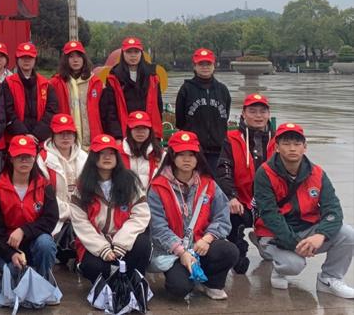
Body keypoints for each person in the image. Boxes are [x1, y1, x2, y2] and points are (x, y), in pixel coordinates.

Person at [253, 123, 354, 298]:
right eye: (286, 143)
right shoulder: (264, 173)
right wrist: (296, 244)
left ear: (305, 147)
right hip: (274, 233)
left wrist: (320, 235)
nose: (292, 148)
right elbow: (270, 215)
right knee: (294, 265)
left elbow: (333, 210)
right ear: (277, 147)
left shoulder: (317, 173)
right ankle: (278, 266)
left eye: (297, 143)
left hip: (307, 229)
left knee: (347, 234)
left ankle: (329, 279)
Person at [149, 131, 237, 301]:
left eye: (191, 155)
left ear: (198, 157)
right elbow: (158, 227)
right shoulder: (158, 187)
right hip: (173, 251)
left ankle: (212, 283)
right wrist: (181, 252)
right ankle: (186, 276)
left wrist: (207, 239)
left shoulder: (208, 184)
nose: (187, 159)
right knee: (180, 288)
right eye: (181, 154)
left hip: (200, 244)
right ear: (172, 156)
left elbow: (222, 216)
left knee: (229, 251)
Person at [70, 134, 151, 291]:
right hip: (96, 243)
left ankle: (132, 285)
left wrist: (121, 242)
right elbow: (81, 223)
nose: (107, 157)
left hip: (124, 240)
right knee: (94, 267)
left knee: (142, 244)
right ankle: (108, 288)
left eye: (111, 153)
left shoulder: (130, 181)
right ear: (93, 157)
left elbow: (141, 215)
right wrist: (103, 248)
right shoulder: (82, 186)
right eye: (101, 153)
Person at [216, 92, 275, 274]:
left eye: (262, 111)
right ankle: (238, 250)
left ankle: (264, 239)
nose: (258, 116)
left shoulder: (279, 140)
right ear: (243, 114)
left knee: (276, 254)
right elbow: (223, 169)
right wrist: (231, 197)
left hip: (270, 202)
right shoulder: (231, 138)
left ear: (269, 114)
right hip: (242, 200)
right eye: (253, 111)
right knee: (232, 215)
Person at [0, 135, 59, 281]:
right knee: (14, 275)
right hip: (7, 246)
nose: (24, 160)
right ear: (11, 159)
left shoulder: (44, 185)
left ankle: (44, 283)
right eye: (19, 156)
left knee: (45, 244)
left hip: (36, 241)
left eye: (28, 156)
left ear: (34, 158)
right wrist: (11, 253)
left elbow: (51, 219)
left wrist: (23, 230)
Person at [37, 113, 88, 263]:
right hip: (55, 215)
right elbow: (44, 194)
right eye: (60, 133)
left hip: (81, 212)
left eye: (69, 133)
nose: (65, 137)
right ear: (53, 135)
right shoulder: (43, 159)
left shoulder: (84, 157)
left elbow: (90, 190)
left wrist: (79, 212)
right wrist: (70, 212)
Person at [174, 48, 231, 174]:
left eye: (208, 64)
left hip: (218, 150)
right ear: (194, 66)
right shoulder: (186, 89)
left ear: (214, 65)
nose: (205, 67)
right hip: (193, 150)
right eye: (201, 64)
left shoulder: (222, 90)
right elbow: (180, 120)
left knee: (215, 182)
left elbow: (225, 115)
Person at [99, 36, 163, 140]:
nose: (133, 55)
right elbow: (110, 110)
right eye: (129, 52)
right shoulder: (113, 77)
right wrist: (117, 136)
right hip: (124, 132)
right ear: (123, 53)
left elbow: (158, 106)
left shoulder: (152, 76)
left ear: (141, 53)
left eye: (136, 52)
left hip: (148, 131)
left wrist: (156, 135)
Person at [48, 40, 103, 148]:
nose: (75, 60)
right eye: (71, 56)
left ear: (84, 59)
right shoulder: (55, 83)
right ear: (65, 60)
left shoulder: (96, 83)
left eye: (79, 56)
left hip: (92, 142)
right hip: (66, 143)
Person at [4, 42, 58, 144]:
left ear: (35, 60)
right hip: (16, 139)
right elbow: (8, 112)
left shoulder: (46, 84)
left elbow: (51, 111)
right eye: (23, 57)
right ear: (17, 60)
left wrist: (37, 135)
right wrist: (24, 133)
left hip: (40, 139)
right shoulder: (8, 83)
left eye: (30, 57)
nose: (26, 60)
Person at [120, 111, 163, 190]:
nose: (140, 132)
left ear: (150, 130)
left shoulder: (160, 153)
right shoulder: (118, 152)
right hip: (125, 196)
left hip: (151, 196)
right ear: (129, 130)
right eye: (136, 128)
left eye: (144, 128)